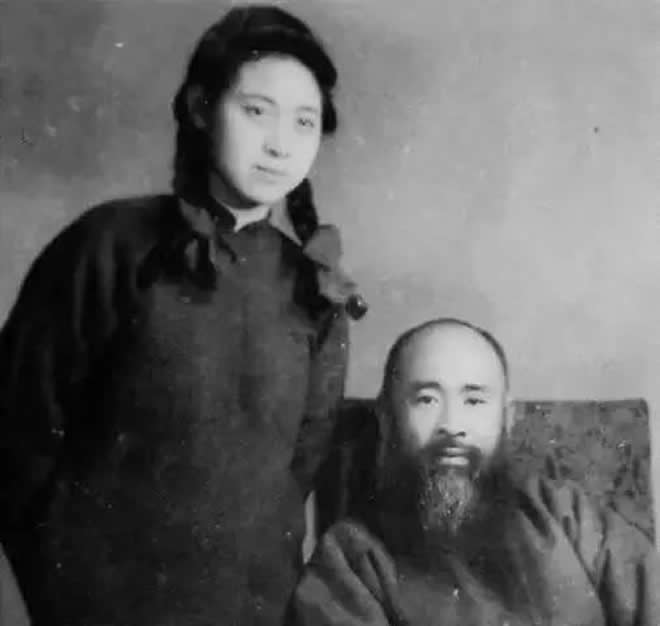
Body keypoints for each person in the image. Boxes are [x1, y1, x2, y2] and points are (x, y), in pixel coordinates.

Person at [0, 5, 365, 625]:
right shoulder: (109, 246)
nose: (281, 144)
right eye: (256, 112)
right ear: (200, 107)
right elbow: (18, 433)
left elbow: (296, 473)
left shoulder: (316, 289)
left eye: (304, 122)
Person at [290, 318, 660, 625]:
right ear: (386, 418)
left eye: (474, 400)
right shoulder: (351, 560)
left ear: (507, 418)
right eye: (427, 400)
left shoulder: (569, 517)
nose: (452, 426)